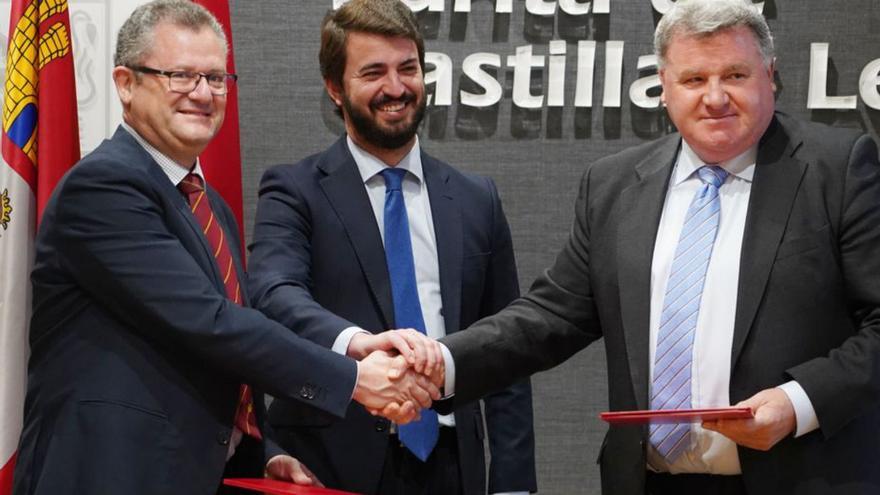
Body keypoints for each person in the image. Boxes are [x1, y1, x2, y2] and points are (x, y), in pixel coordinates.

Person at [433, 1, 880, 494]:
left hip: (798, 476)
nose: (715, 97)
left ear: (770, 76)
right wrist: (440, 364)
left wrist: (798, 403)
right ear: (663, 87)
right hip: (647, 482)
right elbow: (549, 317)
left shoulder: (838, 170)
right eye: (693, 80)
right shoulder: (613, 184)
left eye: (735, 74)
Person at [11, 2, 438, 494]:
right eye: (180, 75)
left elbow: (219, 354)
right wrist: (354, 378)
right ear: (126, 83)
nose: (202, 94)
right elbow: (211, 323)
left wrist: (261, 447)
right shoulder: (103, 188)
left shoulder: (210, 207)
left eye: (216, 78)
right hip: (108, 475)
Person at [246, 1, 536, 494]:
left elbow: (504, 351)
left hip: (451, 466)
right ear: (335, 88)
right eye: (374, 72)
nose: (397, 88)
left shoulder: (475, 198)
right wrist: (356, 344)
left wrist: (512, 484)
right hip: (328, 464)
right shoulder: (295, 190)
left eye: (408, 68)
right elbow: (275, 294)